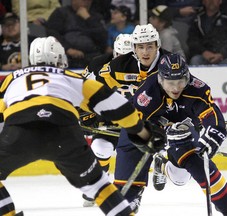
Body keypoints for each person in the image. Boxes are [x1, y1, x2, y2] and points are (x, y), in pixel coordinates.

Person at [0, 36, 166, 216]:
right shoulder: (68, 76)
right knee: (101, 187)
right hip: (63, 136)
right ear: (60, 58)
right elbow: (116, 106)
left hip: (19, 132)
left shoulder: (10, 79)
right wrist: (143, 132)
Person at [115, 53, 227, 215]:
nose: (176, 88)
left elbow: (212, 115)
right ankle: (134, 191)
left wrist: (215, 132)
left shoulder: (197, 89)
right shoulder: (148, 93)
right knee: (124, 202)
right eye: (170, 83)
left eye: (180, 82)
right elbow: (135, 125)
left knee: (185, 176)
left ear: (187, 77)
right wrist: (161, 138)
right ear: (161, 80)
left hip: (183, 132)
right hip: (147, 130)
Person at [82, 23, 170, 209]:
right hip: (113, 119)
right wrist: (87, 112)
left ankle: (161, 163)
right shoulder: (106, 66)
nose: (144, 52)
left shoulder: (164, 62)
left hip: (145, 118)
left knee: (174, 167)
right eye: (140, 48)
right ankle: (100, 182)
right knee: (101, 148)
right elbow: (89, 91)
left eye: (149, 47)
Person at [46, 0, 107, 68]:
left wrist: (88, 19)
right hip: (67, 55)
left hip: (92, 55)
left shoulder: (96, 16)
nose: (86, 2)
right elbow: (53, 34)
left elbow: (103, 37)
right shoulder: (61, 13)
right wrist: (67, 49)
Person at [186, 0, 227, 66]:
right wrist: (204, 52)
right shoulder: (196, 18)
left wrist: (222, 54)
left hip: (225, 56)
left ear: (220, 1)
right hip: (204, 56)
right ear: (203, 1)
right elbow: (192, 40)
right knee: (195, 60)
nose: (211, 1)